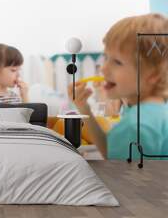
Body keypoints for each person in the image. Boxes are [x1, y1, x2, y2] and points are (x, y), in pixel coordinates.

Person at [68, 13, 168, 159]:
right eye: (107, 57)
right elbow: (110, 152)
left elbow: (122, 178)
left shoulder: (135, 127)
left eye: (117, 62)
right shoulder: (155, 113)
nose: (103, 68)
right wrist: (84, 108)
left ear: (153, 76)